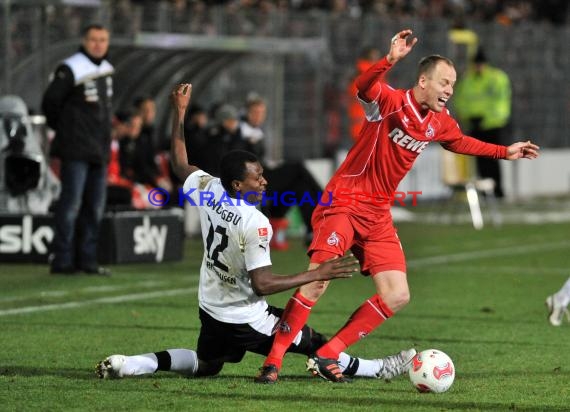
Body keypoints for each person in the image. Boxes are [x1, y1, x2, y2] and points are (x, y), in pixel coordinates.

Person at [256, 29, 540, 383]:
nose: (450, 89)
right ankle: (274, 359)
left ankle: (329, 354)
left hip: (377, 214)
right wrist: (389, 60)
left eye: (453, 84)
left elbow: (461, 142)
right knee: (318, 280)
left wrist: (504, 151)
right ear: (423, 81)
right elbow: (362, 87)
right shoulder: (389, 103)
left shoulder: (439, 122)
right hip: (344, 201)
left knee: (397, 294)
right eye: (444, 82)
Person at [95, 83, 416, 383]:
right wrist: (318, 273)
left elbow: (180, 165)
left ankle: (131, 363)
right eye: (257, 178)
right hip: (244, 316)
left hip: (210, 306)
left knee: (208, 365)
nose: (264, 182)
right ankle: (378, 369)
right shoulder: (253, 221)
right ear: (237, 185)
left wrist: (179, 113)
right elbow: (262, 284)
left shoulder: (210, 189)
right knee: (314, 343)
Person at [42, 24, 114, 276]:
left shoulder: (105, 69)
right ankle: (62, 260)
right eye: (93, 39)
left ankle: (87, 260)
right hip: (75, 149)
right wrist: (65, 130)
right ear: (84, 41)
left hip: (99, 150)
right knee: (70, 205)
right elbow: (50, 102)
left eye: (103, 39)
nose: (98, 44)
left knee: (94, 208)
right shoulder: (70, 67)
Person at [452, 47, 512, 198]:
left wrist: (487, 118)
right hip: (474, 125)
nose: (478, 66)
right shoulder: (467, 79)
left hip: (492, 125)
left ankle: (497, 190)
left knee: (494, 158)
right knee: (480, 160)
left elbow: (501, 103)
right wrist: (468, 117)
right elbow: (460, 101)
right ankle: (486, 192)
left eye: (480, 63)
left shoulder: (496, 78)